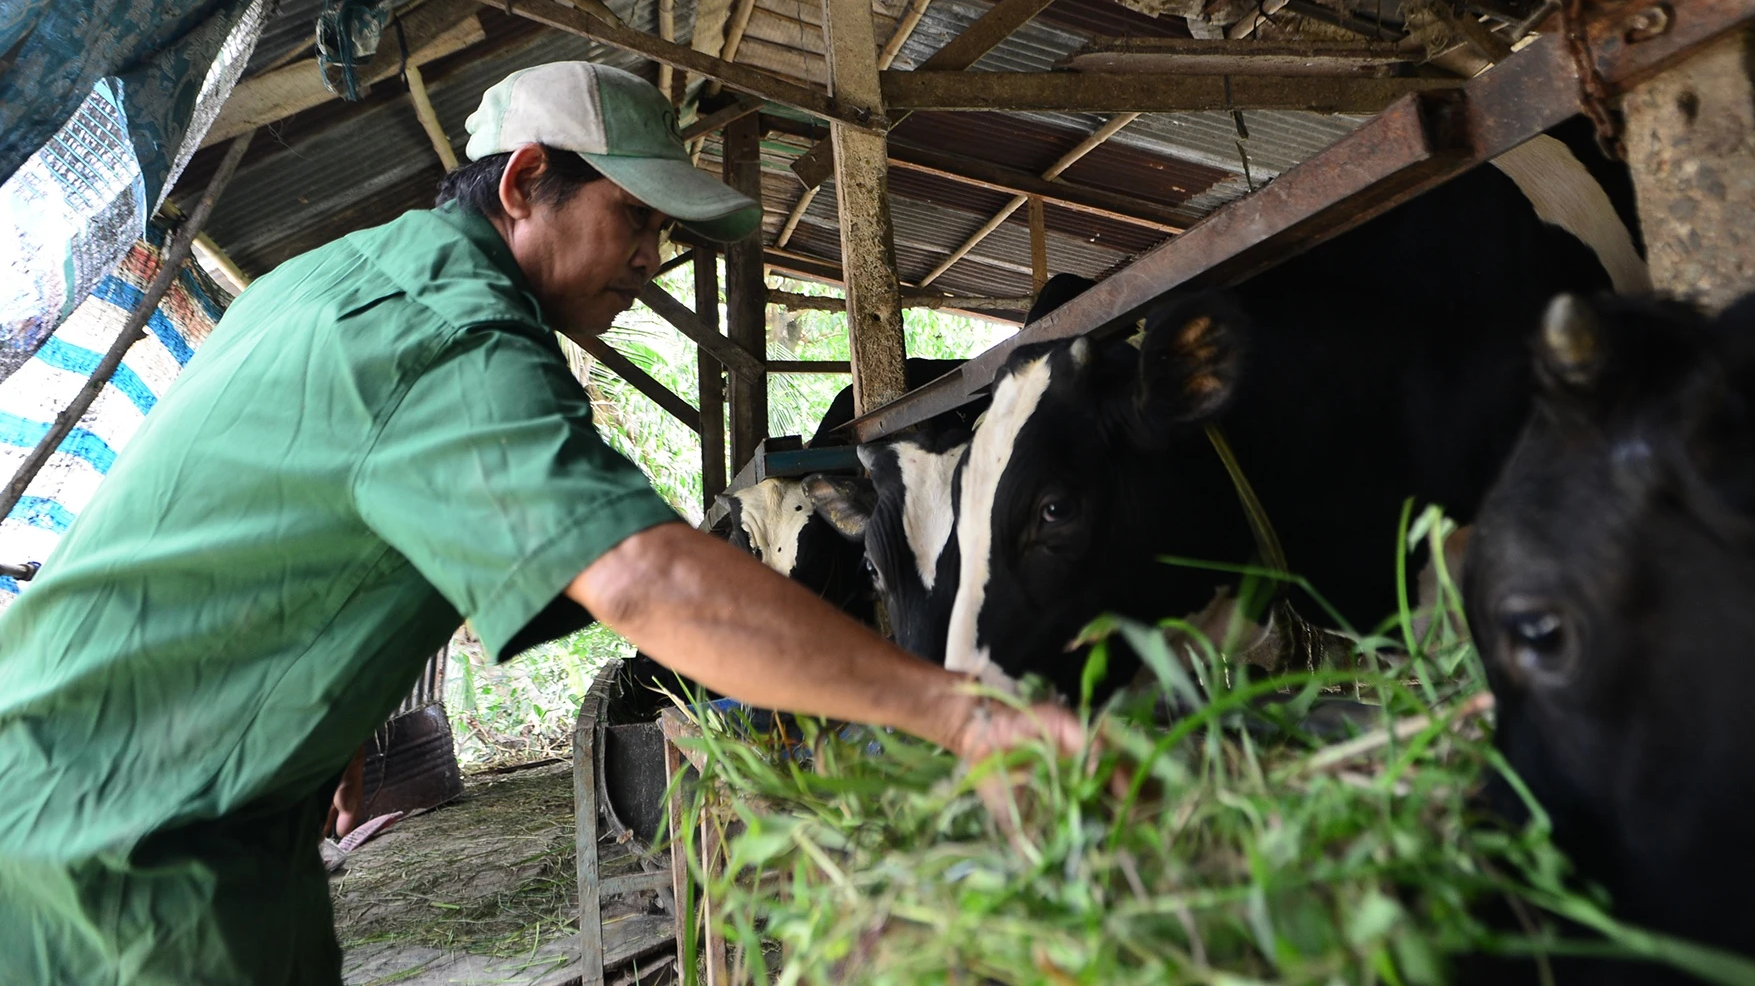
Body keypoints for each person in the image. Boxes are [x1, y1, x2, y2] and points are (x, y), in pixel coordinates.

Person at [0, 62, 1087, 984]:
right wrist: (961, 715)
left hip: (115, 789)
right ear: (525, 183)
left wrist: (333, 720)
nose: (651, 257)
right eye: (635, 218)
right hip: (125, 849)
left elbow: (277, 521)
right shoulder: (452, 329)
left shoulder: (335, 280)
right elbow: (640, 578)